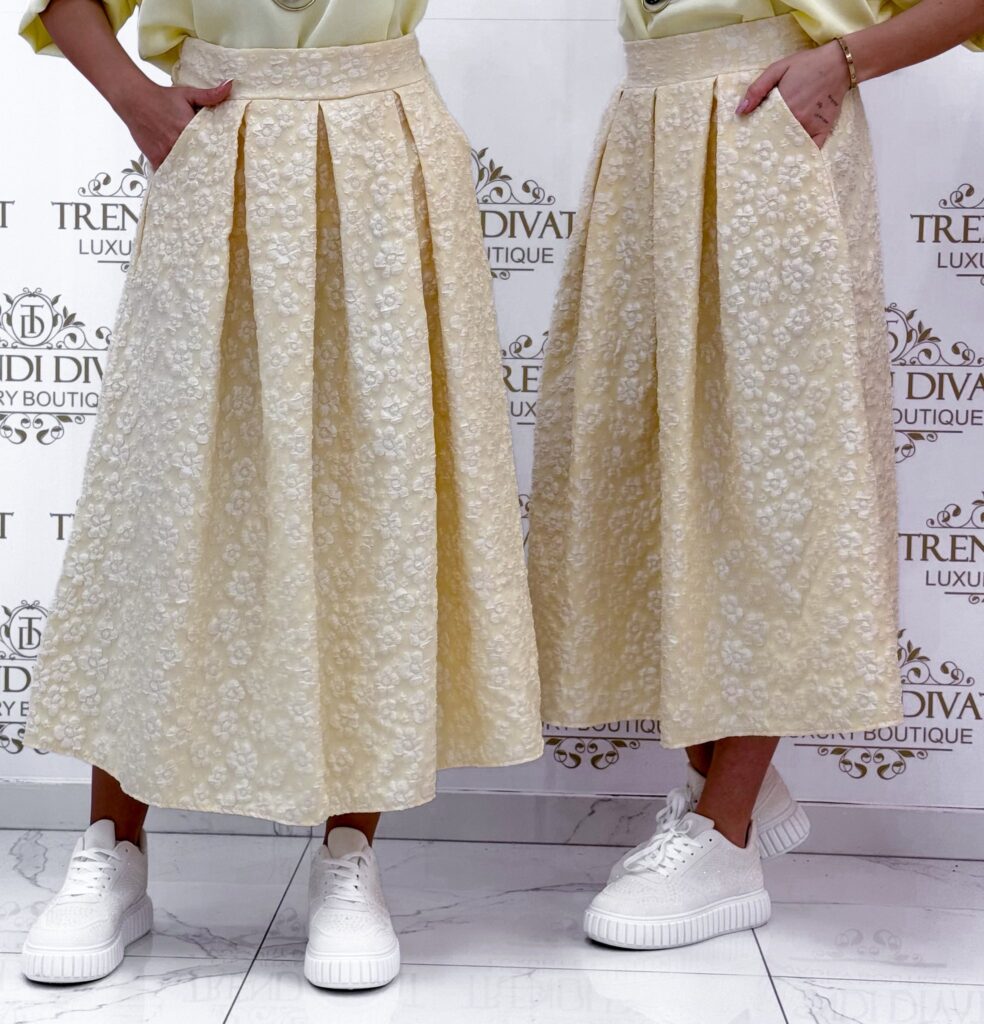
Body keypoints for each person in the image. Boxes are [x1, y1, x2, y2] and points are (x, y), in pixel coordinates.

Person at [17, 0, 543, 990]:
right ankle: (112, 847)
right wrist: (134, 99)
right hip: (222, 145)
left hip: (383, 146)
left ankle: (350, 851)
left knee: (376, 496)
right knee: (164, 492)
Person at [528, 0, 984, 950]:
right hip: (649, 122)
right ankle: (725, 779)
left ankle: (724, 835)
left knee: (766, 484)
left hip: (769, 117)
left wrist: (843, 61)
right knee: (635, 473)